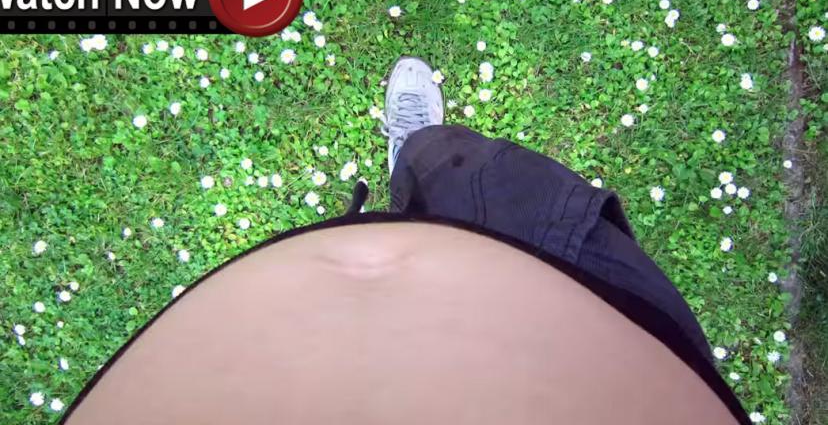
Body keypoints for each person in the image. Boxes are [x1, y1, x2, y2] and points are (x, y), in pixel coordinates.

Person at [60, 58, 751, 425]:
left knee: (457, 175)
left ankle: (416, 166)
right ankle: (423, 156)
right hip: (587, 291)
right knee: (490, 180)